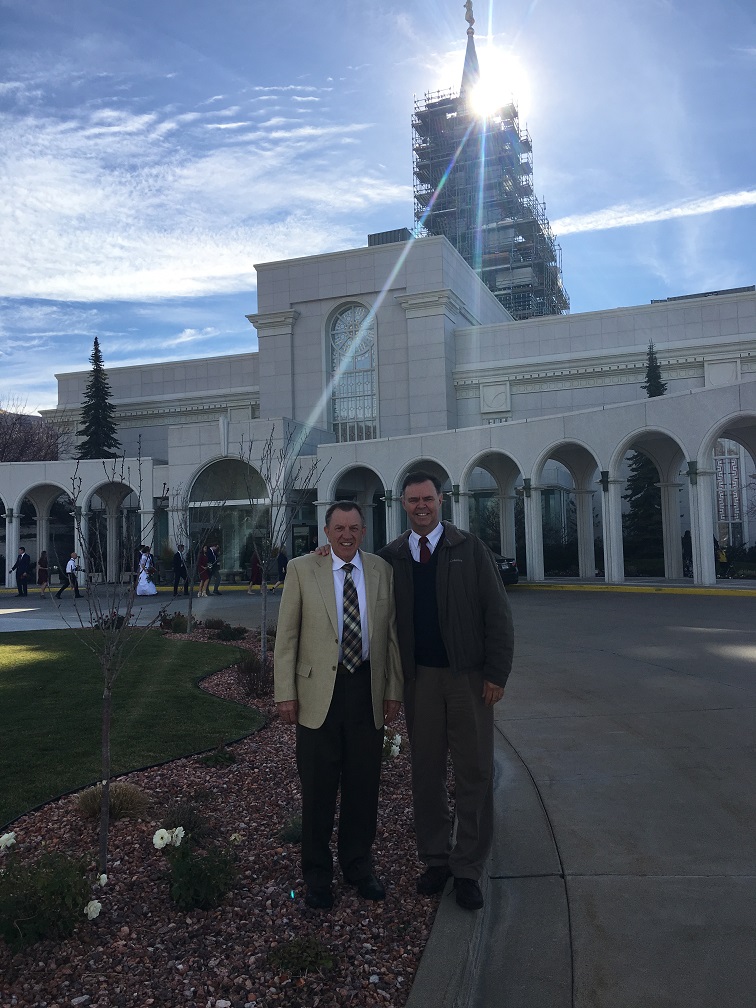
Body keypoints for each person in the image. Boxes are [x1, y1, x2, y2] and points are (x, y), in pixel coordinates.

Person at [378, 472, 514, 912]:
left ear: (442, 500)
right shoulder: (392, 557)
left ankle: (468, 867)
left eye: (428, 499)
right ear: (403, 504)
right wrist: (324, 554)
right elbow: (351, 572)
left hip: (468, 680)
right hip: (419, 681)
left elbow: (498, 615)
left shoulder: (468, 549)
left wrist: (496, 673)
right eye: (413, 499)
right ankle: (436, 859)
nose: (421, 506)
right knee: (427, 772)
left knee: (473, 772)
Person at [274, 501, 403, 911]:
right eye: (339, 527)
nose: (346, 535)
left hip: (366, 688)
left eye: (354, 528)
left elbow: (392, 637)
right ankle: (316, 876)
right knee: (318, 788)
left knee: (364, 786)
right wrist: (285, 693)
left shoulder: (382, 571)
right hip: (317, 695)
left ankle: (358, 866)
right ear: (326, 531)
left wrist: (392, 690)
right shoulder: (301, 569)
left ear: (363, 531)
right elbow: (287, 638)